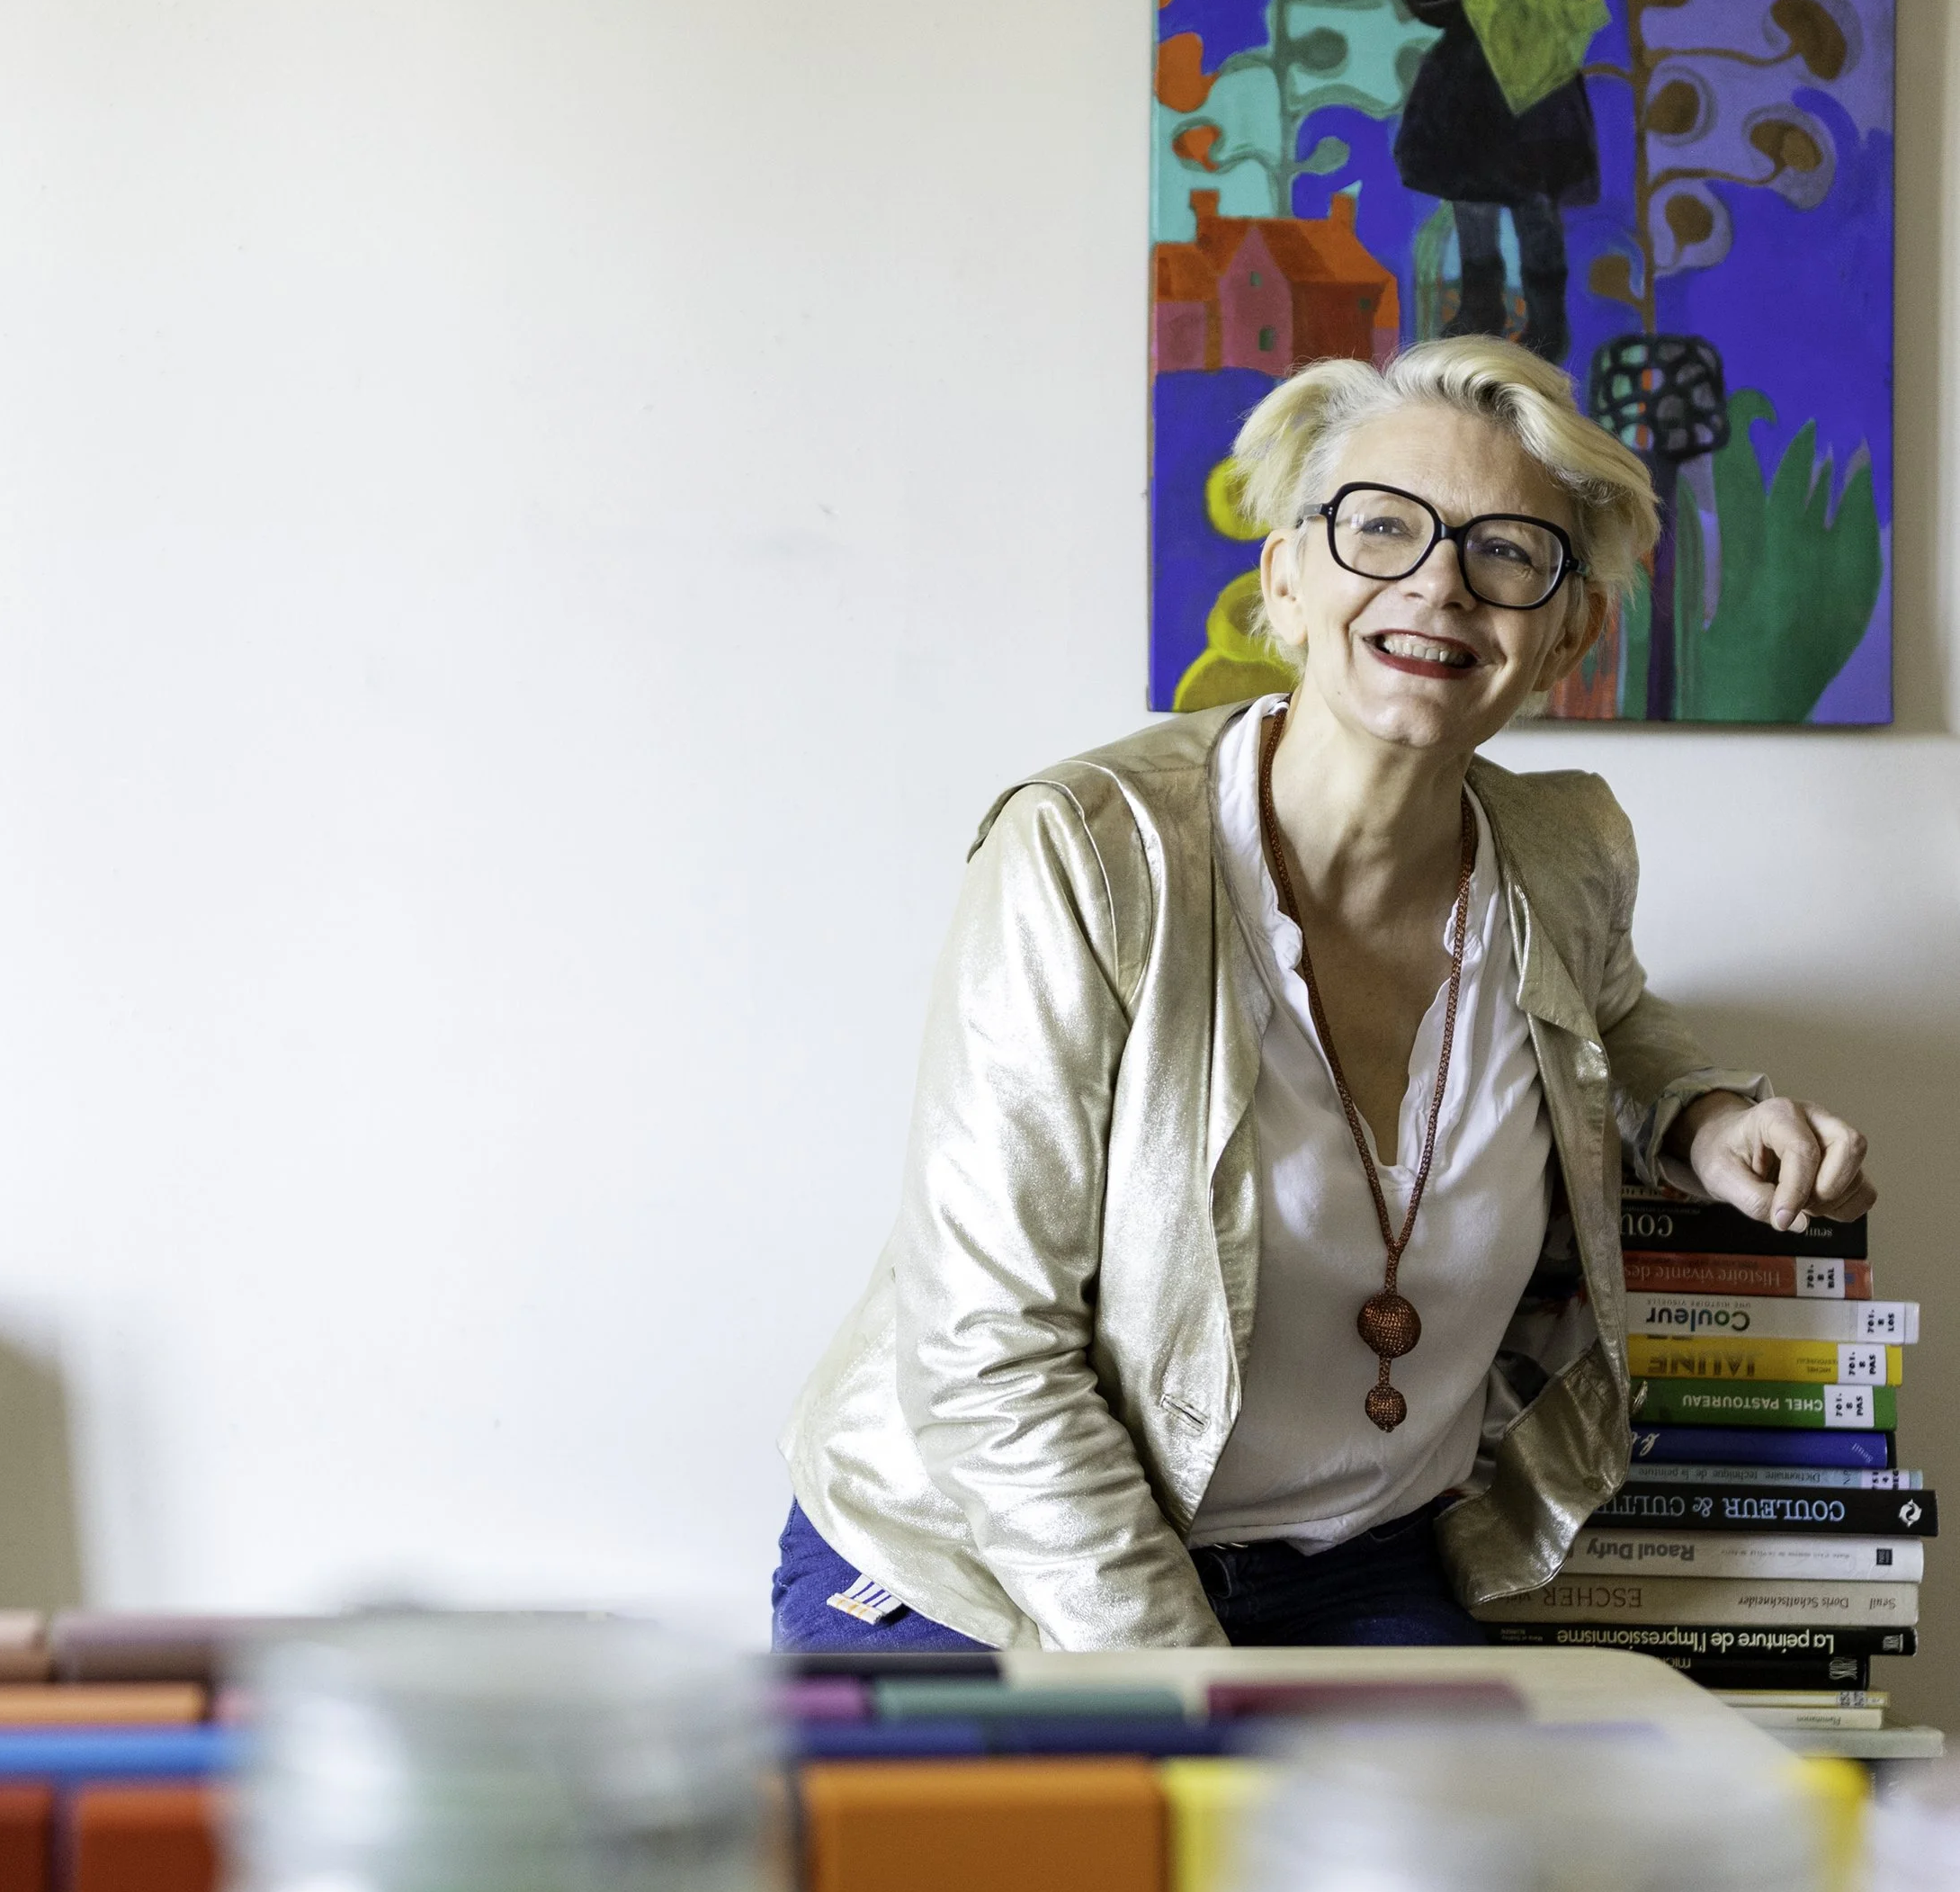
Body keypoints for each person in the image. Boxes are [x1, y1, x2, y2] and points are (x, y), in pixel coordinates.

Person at [773, 337, 1874, 1654]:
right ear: (1285, 582)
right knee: (1146, 1859)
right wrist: (1198, 1702)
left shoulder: (1570, 853)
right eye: (1383, 529)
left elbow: (1611, 1018)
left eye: (1509, 550)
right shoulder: (1090, 855)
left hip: (1352, 1567)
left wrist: (1697, 1115)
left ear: (1567, 629)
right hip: (986, 1561)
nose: (1442, 584)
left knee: (1513, 1859)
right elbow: (985, 1353)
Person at [1393, 0, 1607, 363]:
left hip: (1537, 101)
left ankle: (1547, 319)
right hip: (1469, 104)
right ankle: (1481, 304)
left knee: (1535, 208)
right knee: (1472, 205)